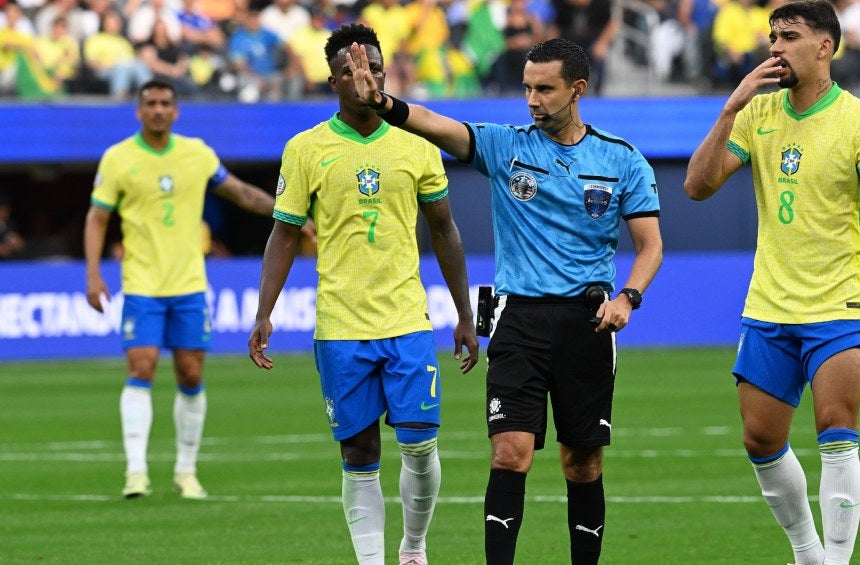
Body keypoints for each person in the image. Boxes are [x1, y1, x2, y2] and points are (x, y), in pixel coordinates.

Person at [346, 36, 663, 564]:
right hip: (516, 317)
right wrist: (382, 103)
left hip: (589, 321)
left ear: (577, 90)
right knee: (509, 453)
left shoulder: (621, 159)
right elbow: (435, 124)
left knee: (581, 462)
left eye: (545, 89)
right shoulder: (505, 146)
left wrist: (628, 297)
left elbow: (650, 246)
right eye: (527, 89)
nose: (533, 100)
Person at [247, 23, 479, 565]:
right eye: (354, 70)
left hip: (406, 320)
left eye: (375, 68)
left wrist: (465, 313)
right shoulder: (305, 149)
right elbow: (284, 232)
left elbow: (444, 230)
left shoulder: (416, 142)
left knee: (420, 446)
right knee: (360, 452)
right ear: (334, 81)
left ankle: (414, 548)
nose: (367, 77)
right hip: (340, 326)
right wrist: (264, 311)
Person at [683, 2, 860, 564]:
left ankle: (835, 561)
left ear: (825, 46)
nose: (775, 47)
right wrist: (731, 106)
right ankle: (807, 555)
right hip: (769, 304)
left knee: (836, 428)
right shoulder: (757, 117)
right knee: (760, 439)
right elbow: (696, 186)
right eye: (772, 37)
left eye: (789, 36)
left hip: (838, 301)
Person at [84, 79, 278, 500]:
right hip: (142, 284)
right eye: (150, 103)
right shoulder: (118, 158)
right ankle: (136, 472)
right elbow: (98, 217)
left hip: (190, 284)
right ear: (139, 110)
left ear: (176, 111)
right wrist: (94, 274)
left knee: (191, 373)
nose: (157, 109)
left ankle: (186, 472)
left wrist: (289, 215)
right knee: (141, 369)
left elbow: (241, 193)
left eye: (165, 103)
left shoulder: (197, 154)